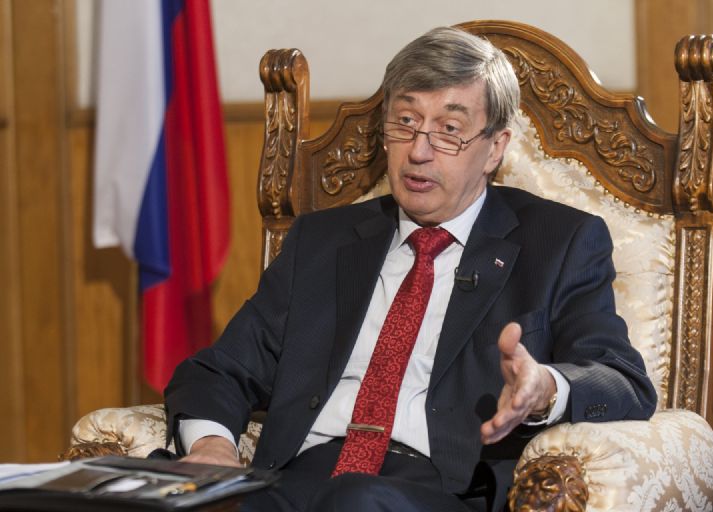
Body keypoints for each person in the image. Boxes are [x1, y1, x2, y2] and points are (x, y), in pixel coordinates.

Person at [164, 26, 657, 512]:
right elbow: (219, 369)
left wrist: (545, 388)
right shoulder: (323, 241)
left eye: (449, 130)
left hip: (440, 491)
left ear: (495, 148)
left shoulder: (558, 243)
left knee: (355, 499)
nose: (418, 152)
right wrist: (212, 448)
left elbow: (623, 380)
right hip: (296, 484)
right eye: (405, 122)